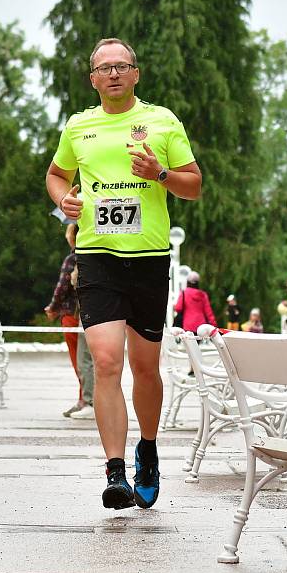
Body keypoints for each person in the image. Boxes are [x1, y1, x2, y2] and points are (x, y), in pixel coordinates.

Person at [46, 37, 201, 510]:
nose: (113, 74)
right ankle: (115, 469)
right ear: (92, 78)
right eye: (103, 68)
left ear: (136, 73)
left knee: (144, 367)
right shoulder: (79, 126)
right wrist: (63, 200)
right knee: (108, 361)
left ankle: (147, 452)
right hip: (97, 256)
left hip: (149, 258)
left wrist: (159, 174)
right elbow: (56, 175)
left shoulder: (162, 120)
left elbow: (193, 186)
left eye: (122, 66)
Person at [45, 224, 90, 417]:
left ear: (73, 237)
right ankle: (86, 399)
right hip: (92, 315)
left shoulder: (73, 258)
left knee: (80, 360)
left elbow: (62, 287)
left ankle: (85, 400)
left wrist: (53, 307)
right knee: (90, 360)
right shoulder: (93, 256)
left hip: (72, 315)